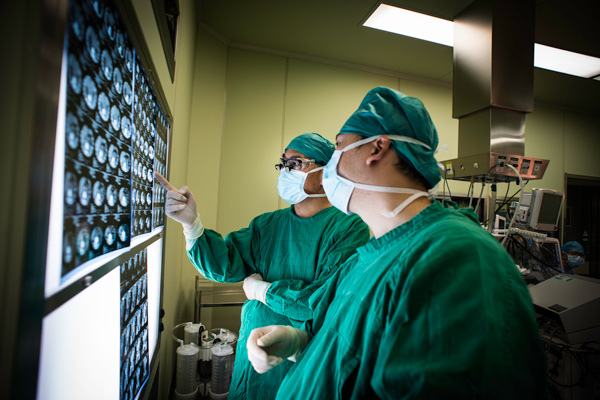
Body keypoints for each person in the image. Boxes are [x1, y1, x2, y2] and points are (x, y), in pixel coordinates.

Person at [247, 87, 548, 399]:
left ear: (376, 148)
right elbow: (359, 355)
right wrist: (302, 343)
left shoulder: (456, 258)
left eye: (338, 146)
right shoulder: (368, 257)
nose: (331, 164)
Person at [154, 132, 370, 400]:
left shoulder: (349, 229)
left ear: (327, 170)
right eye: (283, 164)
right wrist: (192, 225)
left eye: (296, 163)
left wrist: (262, 291)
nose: (286, 172)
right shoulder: (267, 225)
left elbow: (322, 301)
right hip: (252, 362)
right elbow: (225, 265)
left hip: (302, 366)